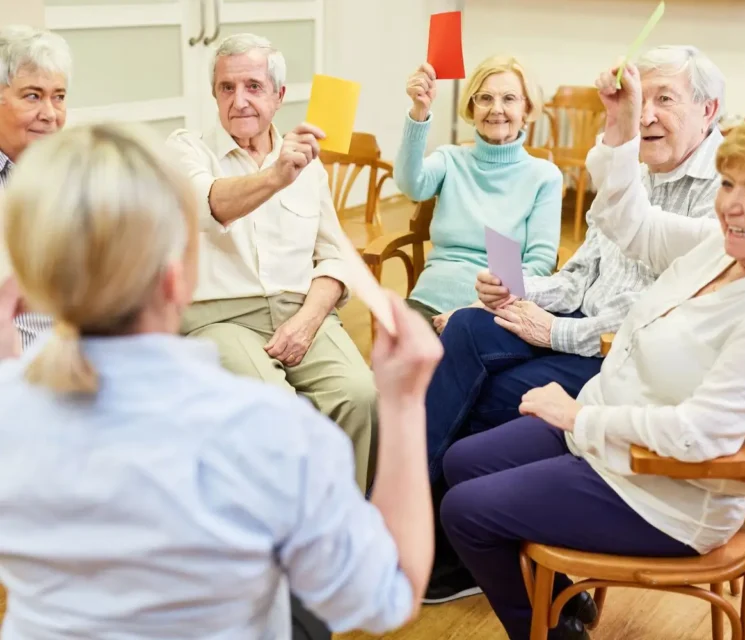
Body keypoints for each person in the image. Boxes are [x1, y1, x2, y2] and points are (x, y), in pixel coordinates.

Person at [0, 121, 443, 638]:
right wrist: (404, 403)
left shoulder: (12, 411)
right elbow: (387, 596)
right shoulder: (270, 433)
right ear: (177, 281)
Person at [439, 63, 745, 640]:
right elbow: (628, 224)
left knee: (465, 509)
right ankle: (560, 606)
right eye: (728, 185)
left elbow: (697, 436)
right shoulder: (719, 247)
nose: (730, 207)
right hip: (611, 435)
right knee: (461, 461)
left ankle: (553, 631)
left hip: (665, 490)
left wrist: (579, 417)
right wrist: (619, 121)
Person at [166, 34, 375, 491]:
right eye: (227, 87)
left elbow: (334, 256)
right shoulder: (186, 149)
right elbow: (209, 204)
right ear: (214, 94)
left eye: (253, 87)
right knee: (275, 411)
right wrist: (276, 176)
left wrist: (308, 320)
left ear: (279, 96)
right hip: (220, 318)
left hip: (301, 311)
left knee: (361, 395)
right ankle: (282, 524)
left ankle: (343, 515)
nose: (239, 100)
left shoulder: (308, 165)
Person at [395, 55, 562, 331]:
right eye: (485, 98)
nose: (496, 109)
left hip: (495, 312)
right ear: (472, 108)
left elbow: (540, 264)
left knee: (455, 352)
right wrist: (419, 111)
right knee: (398, 350)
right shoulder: (450, 159)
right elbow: (409, 183)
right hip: (428, 302)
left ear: (527, 109)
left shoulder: (544, 176)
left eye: (509, 98)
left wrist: (475, 310)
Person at [0, 25, 71, 356]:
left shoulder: (69, 173)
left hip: (77, 355)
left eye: (59, 97)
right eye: (33, 96)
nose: (50, 115)